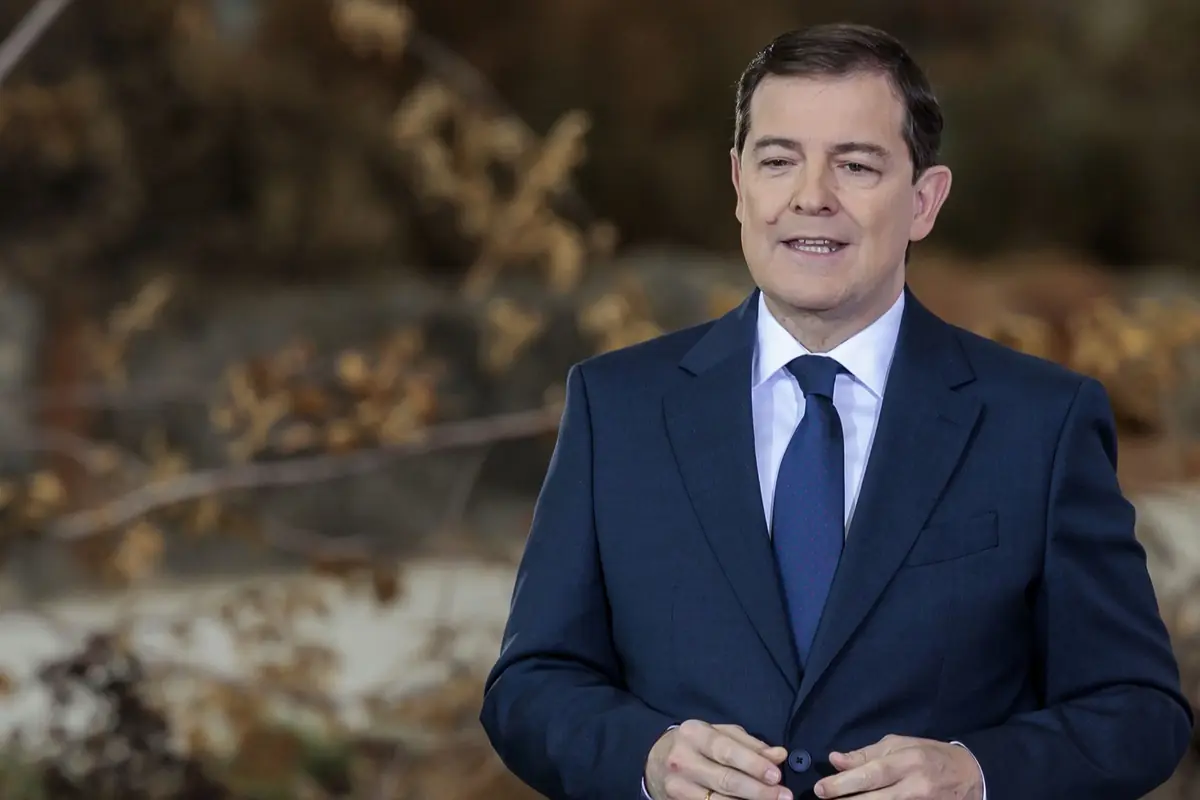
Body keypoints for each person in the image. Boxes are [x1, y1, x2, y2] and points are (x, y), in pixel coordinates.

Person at [479, 22, 1193, 800]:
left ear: (924, 201)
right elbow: (530, 686)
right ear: (739, 184)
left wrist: (977, 773)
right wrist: (647, 759)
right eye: (778, 160)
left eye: (855, 165)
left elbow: (1138, 711)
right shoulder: (616, 407)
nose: (809, 197)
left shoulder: (1041, 423)